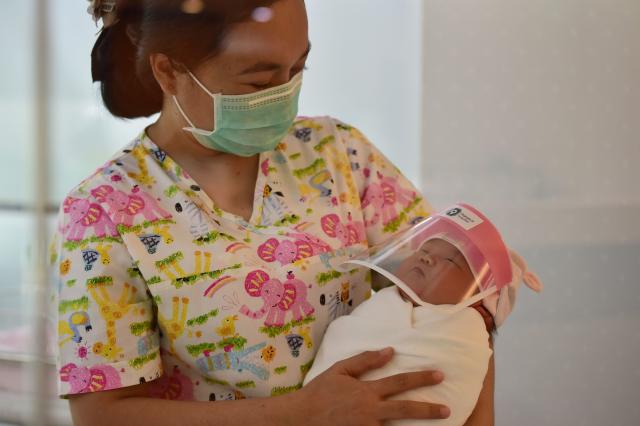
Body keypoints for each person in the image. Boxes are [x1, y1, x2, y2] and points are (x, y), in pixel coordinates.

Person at [51, 1, 494, 424]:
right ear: (168, 71)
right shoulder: (104, 211)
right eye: (259, 83)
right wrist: (297, 416)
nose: (285, 94)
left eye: (298, 68)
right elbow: (103, 414)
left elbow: (464, 298)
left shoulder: (338, 153)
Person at [303, 204, 543, 425]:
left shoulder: (466, 331)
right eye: (423, 249)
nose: (425, 256)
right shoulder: (383, 303)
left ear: (481, 307)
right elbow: (346, 337)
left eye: (449, 260)